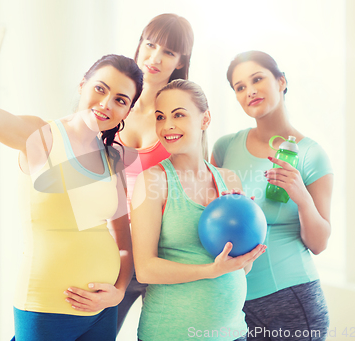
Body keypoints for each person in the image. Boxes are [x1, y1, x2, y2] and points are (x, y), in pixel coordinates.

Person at [0, 20, 143, 341]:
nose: (106, 103)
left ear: (127, 110)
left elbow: (124, 241)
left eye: (121, 100)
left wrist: (119, 292)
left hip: (103, 310)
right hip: (46, 306)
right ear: (83, 84)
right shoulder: (42, 135)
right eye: (100, 88)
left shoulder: (113, 159)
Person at [131, 79, 266, 341]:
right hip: (172, 333)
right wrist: (209, 271)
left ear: (205, 120)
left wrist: (246, 250)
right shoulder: (153, 180)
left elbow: (238, 268)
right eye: (160, 117)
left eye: (178, 114)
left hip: (234, 332)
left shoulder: (230, 180)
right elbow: (146, 269)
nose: (167, 125)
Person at [211, 51, 333, 340]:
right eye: (240, 87)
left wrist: (301, 196)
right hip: (233, 300)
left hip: (290, 300)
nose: (249, 91)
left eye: (257, 79)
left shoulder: (311, 155)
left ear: (281, 81)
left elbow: (319, 243)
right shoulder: (225, 147)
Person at [115, 13, 194, 333]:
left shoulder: (184, 114)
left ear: (180, 61)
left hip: (164, 253)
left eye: (168, 52)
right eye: (150, 45)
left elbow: (195, 179)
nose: (155, 58)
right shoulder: (114, 105)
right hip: (115, 251)